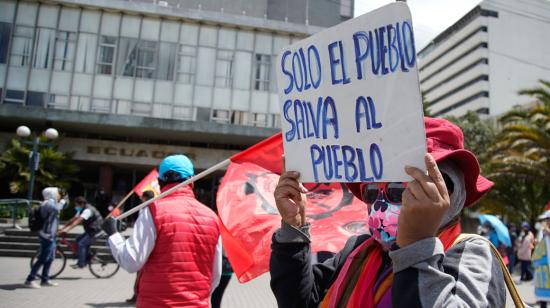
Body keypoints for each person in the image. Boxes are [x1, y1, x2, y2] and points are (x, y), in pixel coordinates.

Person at [270, 117, 506, 307]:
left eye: (397, 190)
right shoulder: (359, 250)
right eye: (372, 192)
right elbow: (298, 301)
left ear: (448, 191)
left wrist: (416, 245)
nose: (380, 204)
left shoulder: (472, 252)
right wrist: (294, 229)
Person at [102, 154, 222, 307]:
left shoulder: (153, 211)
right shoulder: (212, 217)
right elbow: (215, 275)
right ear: (191, 182)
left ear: (159, 182)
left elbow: (131, 261)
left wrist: (113, 235)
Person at [24, 187, 67, 288]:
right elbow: (57, 208)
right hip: (46, 235)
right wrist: (64, 201)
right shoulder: (48, 203)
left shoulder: (50, 203)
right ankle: (30, 279)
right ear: (52, 194)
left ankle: (45, 280)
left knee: (50, 258)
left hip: (50, 235)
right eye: (57, 193)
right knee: (43, 258)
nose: (59, 195)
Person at [126, 190, 155, 304]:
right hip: (143, 244)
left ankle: (138, 295)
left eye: (142, 197)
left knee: (141, 273)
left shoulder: (150, 209)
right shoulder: (144, 208)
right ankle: (137, 294)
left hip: (146, 245)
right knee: (140, 273)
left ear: (144, 198)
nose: (140, 199)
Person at [58, 196, 104, 268]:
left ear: (82, 204)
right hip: (91, 230)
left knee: (81, 244)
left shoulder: (87, 210)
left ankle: (81, 264)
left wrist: (67, 230)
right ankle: (87, 256)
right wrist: (62, 228)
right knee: (77, 239)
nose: (76, 207)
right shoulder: (81, 209)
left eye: (77, 205)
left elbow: (78, 221)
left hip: (96, 231)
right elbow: (73, 220)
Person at [534, 211, 550, 308]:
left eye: (549, 220)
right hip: (543, 269)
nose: (547, 221)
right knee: (543, 299)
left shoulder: (546, 231)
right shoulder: (543, 232)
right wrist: (537, 244)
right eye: (547, 220)